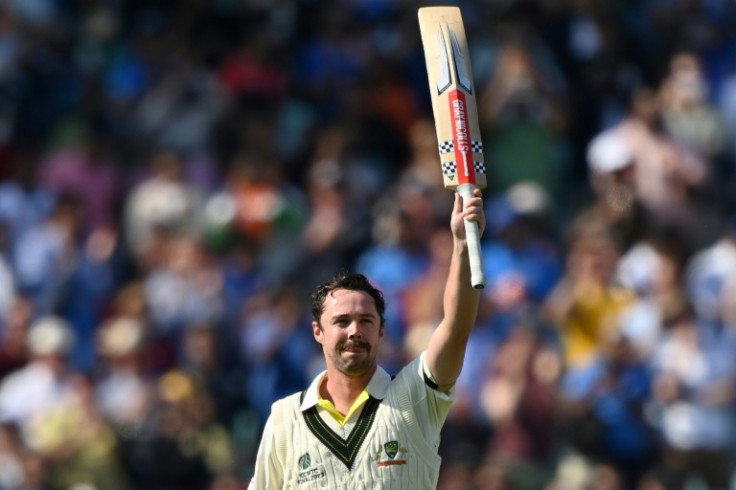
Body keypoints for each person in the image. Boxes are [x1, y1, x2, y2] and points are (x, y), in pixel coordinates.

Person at [249, 188, 485, 488]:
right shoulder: (285, 419)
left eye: (366, 321)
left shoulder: (413, 397)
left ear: (381, 331)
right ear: (317, 332)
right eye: (342, 321)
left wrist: (463, 245)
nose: (354, 331)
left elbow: (456, 327)